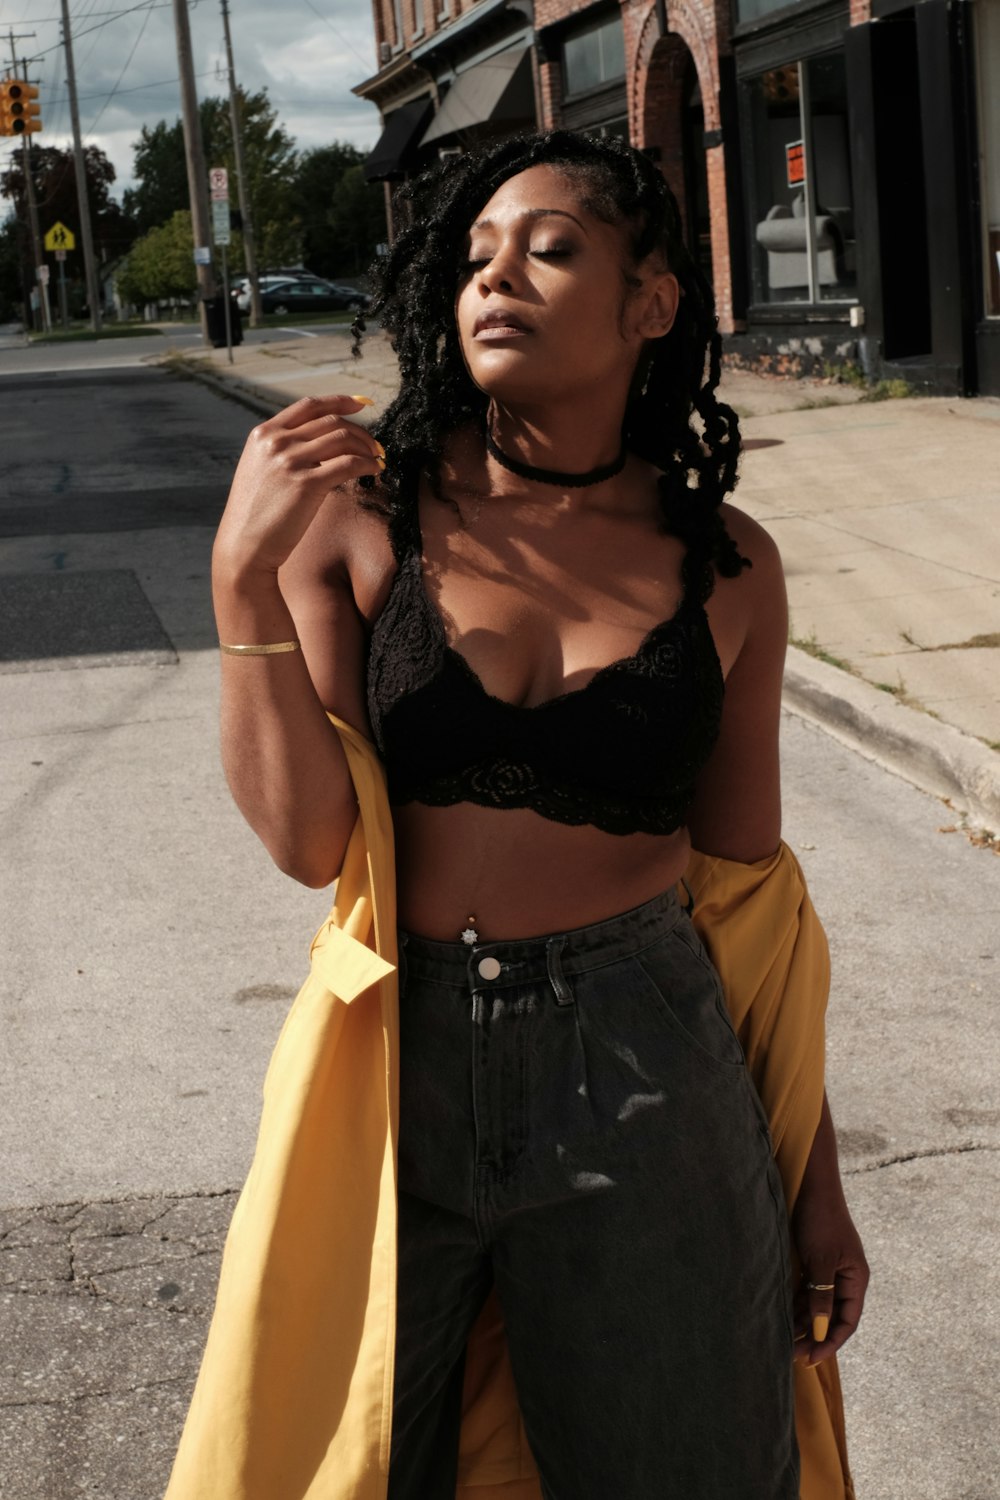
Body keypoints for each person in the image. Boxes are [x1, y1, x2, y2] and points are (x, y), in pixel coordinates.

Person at [201, 130, 868, 1499]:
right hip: (395, 1063)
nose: (497, 277)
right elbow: (307, 842)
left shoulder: (730, 569)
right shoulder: (365, 516)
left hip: (649, 1066)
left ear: (653, 303)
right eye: (477, 256)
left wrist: (811, 1172)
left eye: (552, 248)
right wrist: (238, 586)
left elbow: (752, 906)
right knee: (353, 1464)